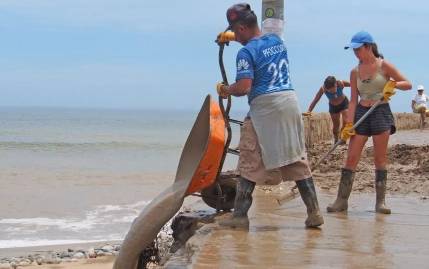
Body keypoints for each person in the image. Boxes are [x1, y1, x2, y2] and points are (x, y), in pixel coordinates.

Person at [215, 3, 324, 229]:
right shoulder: (276, 41)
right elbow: (258, 43)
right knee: (296, 157)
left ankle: (240, 216)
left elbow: (245, 87)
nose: (234, 34)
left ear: (242, 27)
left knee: (249, 157)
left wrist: (225, 90)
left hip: (266, 106)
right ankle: (314, 213)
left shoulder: (245, 53)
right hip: (289, 101)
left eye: (235, 30)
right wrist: (231, 37)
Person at [327, 31, 412, 214]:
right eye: (353, 50)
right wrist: (348, 124)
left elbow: (408, 83)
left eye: (358, 49)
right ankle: (341, 201)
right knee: (351, 157)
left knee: (380, 159)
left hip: (380, 111)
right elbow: (352, 100)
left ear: (368, 46)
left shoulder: (384, 65)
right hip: (361, 112)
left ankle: (380, 203)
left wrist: (393, 85)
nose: (356, 53)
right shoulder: (354, 72)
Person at [303, 76, 351, 142]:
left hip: (344, 103)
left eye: (333, 89)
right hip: (333, 107)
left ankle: (342, 137)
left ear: (335, 85)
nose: (332, 92)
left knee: (346, 121)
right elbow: (315, 100)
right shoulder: (323, 89)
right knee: (336, 125)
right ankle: (336, 138)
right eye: (330, 91)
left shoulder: (340, 83)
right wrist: (309, 111)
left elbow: (354, 85)